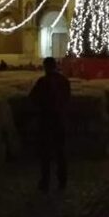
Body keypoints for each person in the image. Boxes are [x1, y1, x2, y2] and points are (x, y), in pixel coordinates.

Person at [29, 57, 71, 192]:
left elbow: (32, 98)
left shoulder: (42, 81)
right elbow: (67, 97)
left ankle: (45, 181)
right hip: (60, 119)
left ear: (45, 67)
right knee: (61, 151)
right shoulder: (64, 81)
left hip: (46, 120)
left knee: (45, 152)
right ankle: (62, 180)